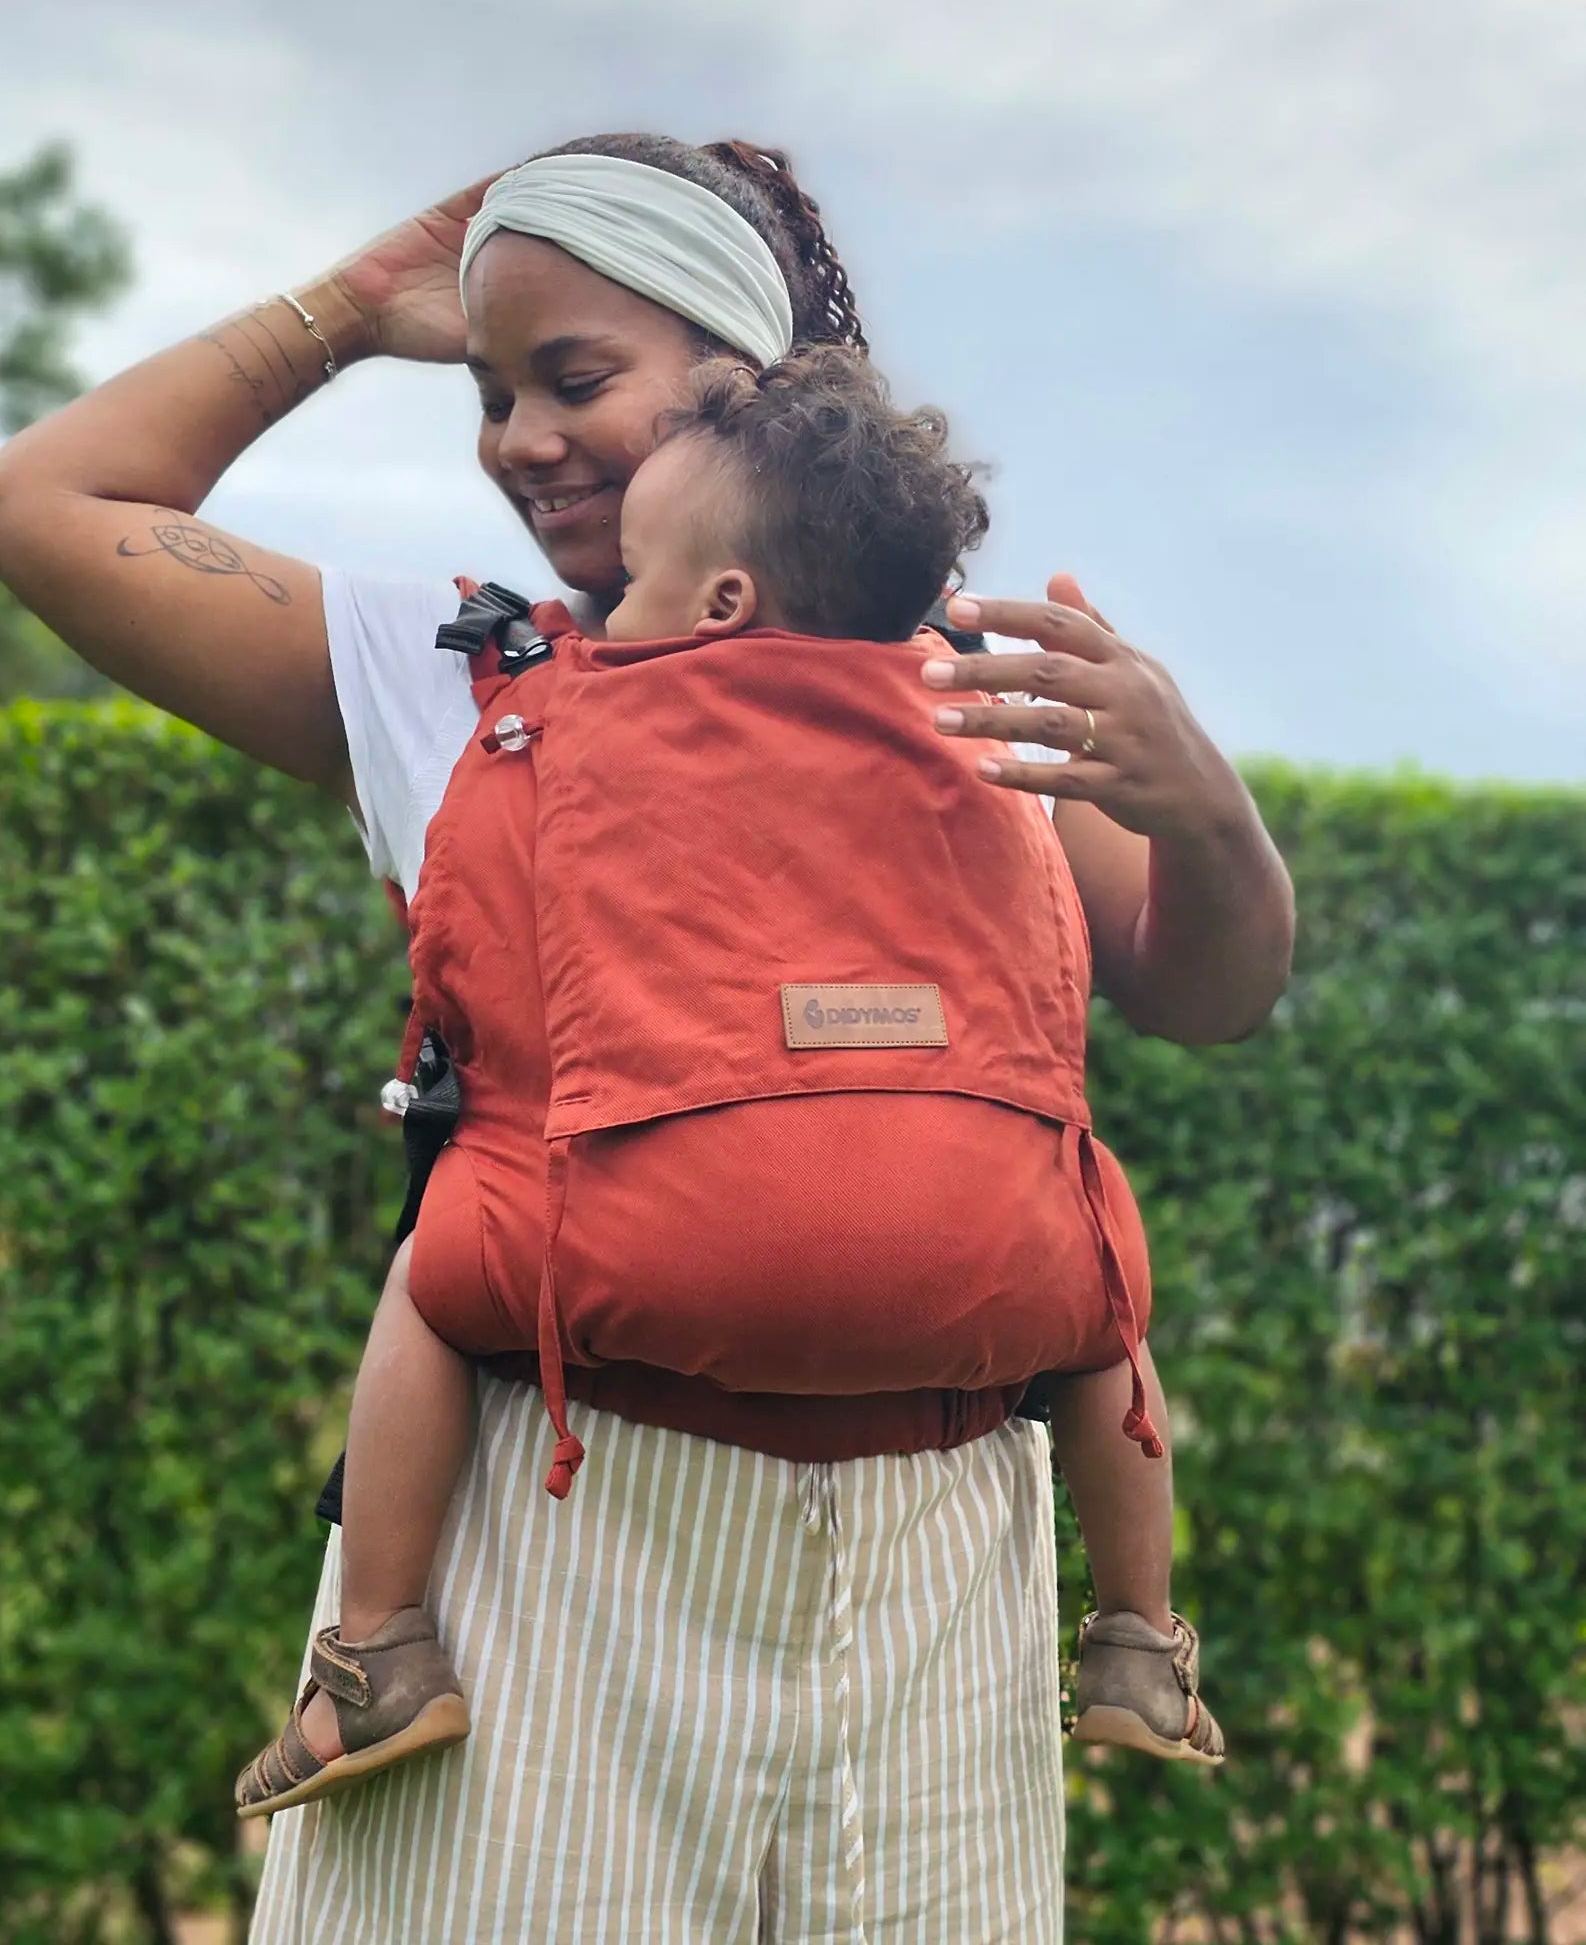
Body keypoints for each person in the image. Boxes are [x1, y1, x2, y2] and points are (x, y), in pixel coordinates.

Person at [0, 133, 1293, 1943]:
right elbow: (36, 507)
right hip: (555, 1533)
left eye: (573, 378)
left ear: (743, 382)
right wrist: (346, 312)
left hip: (937, 1570)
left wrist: (1204, 810)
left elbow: (1200, 991)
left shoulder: (963, 681)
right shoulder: (452, 671)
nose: (514, 438)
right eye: (489, 396)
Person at [230, 337, 1224, 1822]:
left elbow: (483, 1005)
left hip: (647, 1257)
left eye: (632, 583)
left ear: (720, 606)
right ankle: (1140, 1644)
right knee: (1098, 1303)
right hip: (983, 1270)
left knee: (433, 1272)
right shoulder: (986, 738)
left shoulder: (559, 717)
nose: (606, 609)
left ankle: (374, 1655)